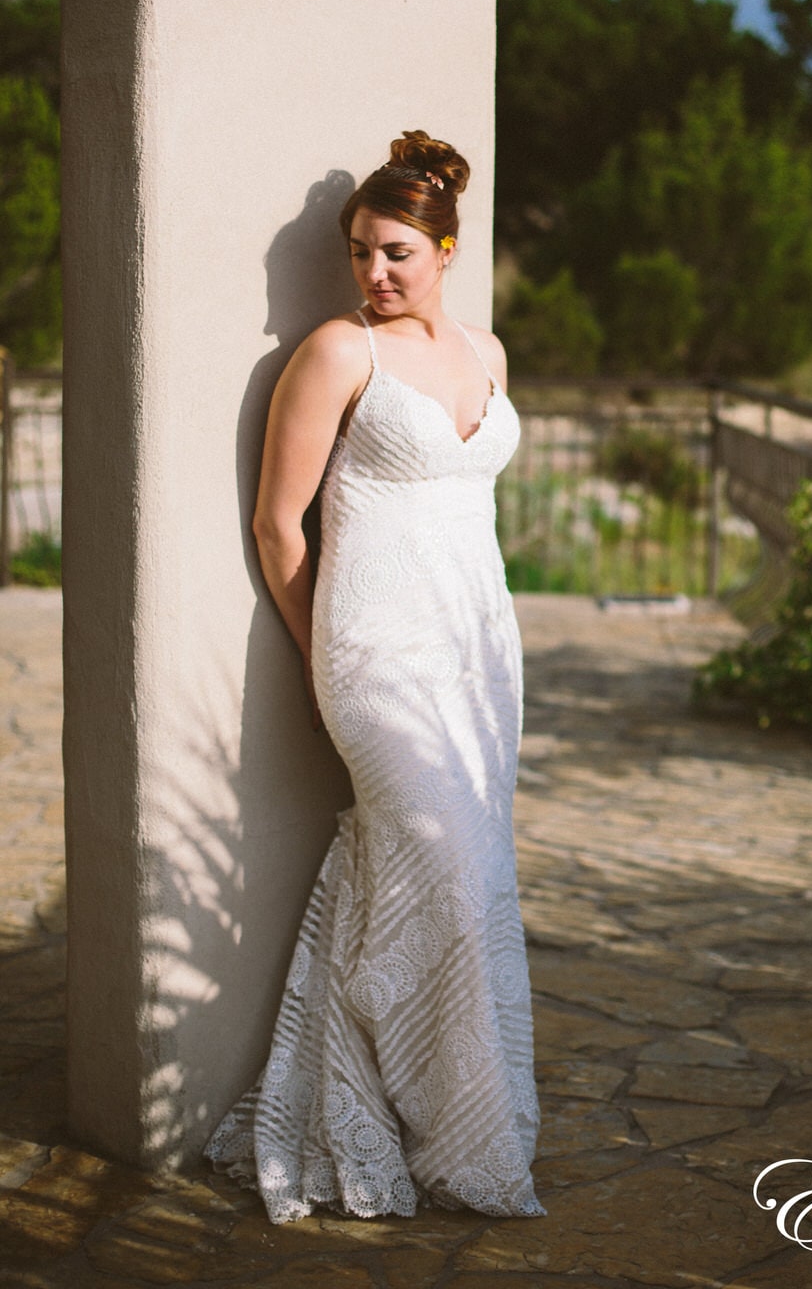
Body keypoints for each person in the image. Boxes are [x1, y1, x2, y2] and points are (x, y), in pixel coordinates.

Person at [205, 131, 543, 1222]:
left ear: (445, 248)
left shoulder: (486, 353)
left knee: (473, 876)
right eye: (358, 252)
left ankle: (450, 1116)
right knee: (436, 868)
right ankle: (403, 1101)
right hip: (374, 656)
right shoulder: (337, 354)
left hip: (478, 656)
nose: (373, 273)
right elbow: (277, 526)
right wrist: (327, 655)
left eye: (394, 250)